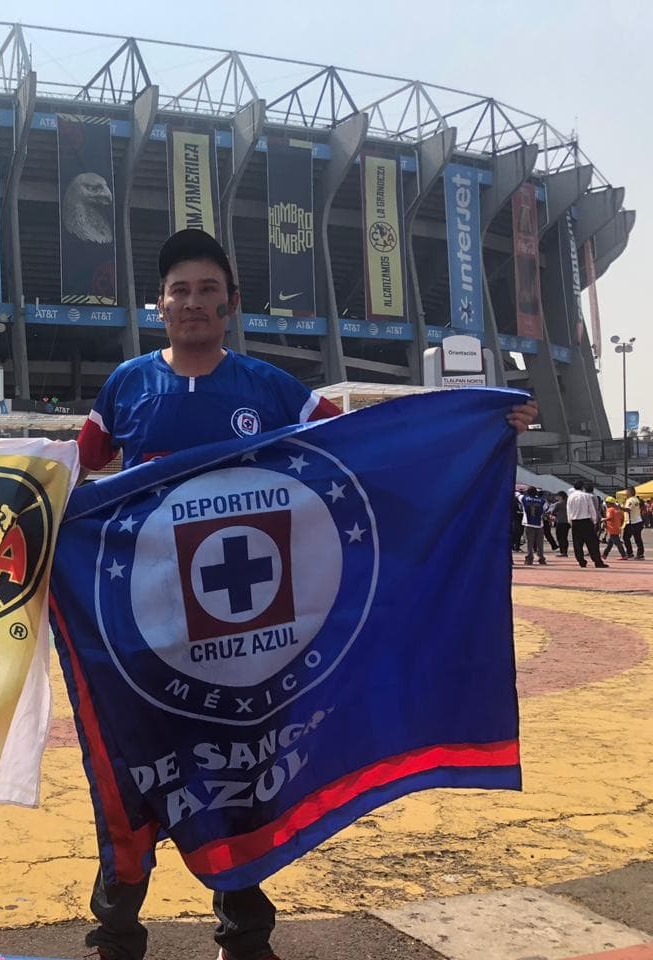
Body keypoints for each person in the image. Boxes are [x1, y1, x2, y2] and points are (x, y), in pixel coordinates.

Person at [73, 229, 537, 960]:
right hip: (146, 631)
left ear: (230, 303)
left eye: (206, 290)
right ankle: (116, 934)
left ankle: (245, 939)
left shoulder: (272, 390)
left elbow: (373, 442)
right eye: (179, 291)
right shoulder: (127, 386)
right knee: (137, 774)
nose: (192, 303)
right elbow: (70, 471)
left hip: (252, 630)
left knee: (245, 777)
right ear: (160, 305)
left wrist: (483, 422)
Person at [566, 479, 606, 569]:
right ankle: (597, 561)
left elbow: (568, 510)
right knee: (592, 543)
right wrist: (595, 521)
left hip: (575, 521)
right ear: (582, 487)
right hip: (586, 521)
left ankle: (581, 561)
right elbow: (591, 509)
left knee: (577, 543)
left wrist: (570, 521)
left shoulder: (570, 497)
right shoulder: (586, 496)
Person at [517, 486, 548, 565]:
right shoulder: (542, 501)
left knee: (529, 542)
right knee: (540, 543)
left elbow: (517, 495)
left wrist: (519, 491)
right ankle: (541, 558)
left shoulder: (524, 498)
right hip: (539, 524)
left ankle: (529, 558)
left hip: (528, 523)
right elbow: (546, 508)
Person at [622, 489, 645, 560]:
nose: (626, 493)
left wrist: (619, 507)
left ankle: (631, 553)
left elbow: (628, 509)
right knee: (637, 538)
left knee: (626, 537)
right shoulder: (636, 499)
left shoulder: (630, 500)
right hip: (637, 521)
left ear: (631, 492)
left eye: (627, 491)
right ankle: (639, 553)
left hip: (632, 522)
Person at [550, 491, 570, 557]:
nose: (556, 497)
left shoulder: (558, 504)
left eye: (557, 496)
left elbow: (553, 512)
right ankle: (565, 551)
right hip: (567, 522)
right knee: (565, 537)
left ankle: (562, 551)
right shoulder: (568, 503)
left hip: (560, 522)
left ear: (560, 496)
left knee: (560, 537)